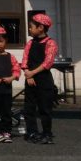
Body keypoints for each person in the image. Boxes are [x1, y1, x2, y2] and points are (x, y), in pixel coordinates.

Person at [22, 13, 58, 145]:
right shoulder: (30, 43)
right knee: (29, 108)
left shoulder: (51, 43)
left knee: (45, 109)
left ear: (41, 27)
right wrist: (27, 73)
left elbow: (48, 62)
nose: (29, 29)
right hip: (30, 80)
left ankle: (47, 133)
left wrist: (32, 73)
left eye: (31, 26)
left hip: (44, 80)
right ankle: (32, 132)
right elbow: (24, 60)